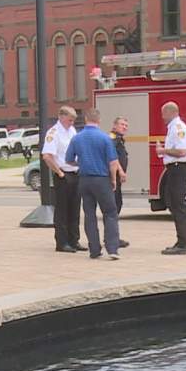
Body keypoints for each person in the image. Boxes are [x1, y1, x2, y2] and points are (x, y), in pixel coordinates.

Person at [65, 108, 121, 260]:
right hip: (101, 179)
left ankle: (94, 250)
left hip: (84, 179)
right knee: (109, 213)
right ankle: (112, 248)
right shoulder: (105, 138)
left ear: (85, 120)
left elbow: (68, 159)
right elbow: (113, 162)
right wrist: (114, 179)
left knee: (89, 215)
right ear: (99, 120)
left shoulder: (77, 138)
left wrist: (81, 163)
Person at [41, 106, 83, 253]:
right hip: (63, 174)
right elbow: (47, 156)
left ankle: (74, 240)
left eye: (73, 120)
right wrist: (59, 172)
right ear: (61, 117)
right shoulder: (53, 133)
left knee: (75, 209)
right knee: (62, 210)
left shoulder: (71, 130)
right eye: (70, 120)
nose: (72, 123)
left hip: (75, 172)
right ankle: (62, 242)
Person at [156, 101, 186, 255]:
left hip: (178, 168)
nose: (162, 117)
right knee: (172, 202)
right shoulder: (173, 127)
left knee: (178, 205)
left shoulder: (178, 128)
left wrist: (162, 150)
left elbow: (182, 151)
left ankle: (184, 244)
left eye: (163, 113)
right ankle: (181, 241)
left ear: (170, 112)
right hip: (174, 168)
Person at [110, 116, 130, 249]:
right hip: (113, 178)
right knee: (114, 206)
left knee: (118, 204)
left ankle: (114, 236)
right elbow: (112, 156)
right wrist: (121, 171)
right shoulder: (113, 138)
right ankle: (111, 238)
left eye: (126, 125)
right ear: (115, 125)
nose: (124, 127)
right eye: (122, 124)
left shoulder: (119, 139)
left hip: (117, 178)